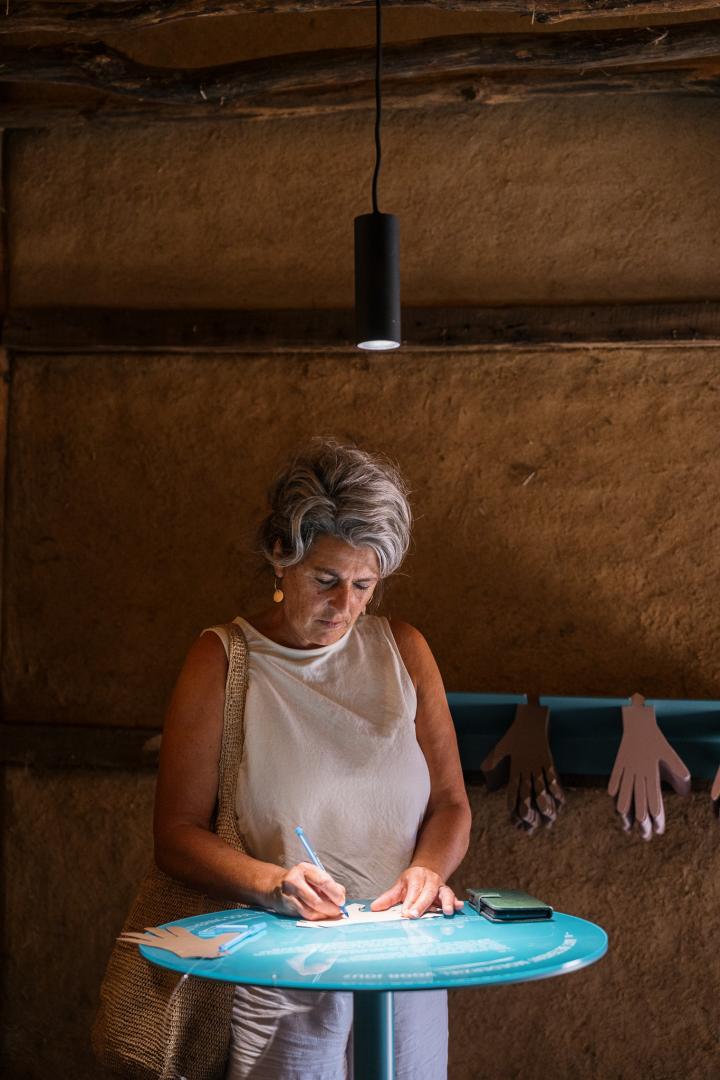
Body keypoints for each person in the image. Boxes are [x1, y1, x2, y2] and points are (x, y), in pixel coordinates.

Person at [154, 439, 472, 1080]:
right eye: (325, 580)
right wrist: (273, 883)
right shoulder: (222, 660)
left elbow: (450, 805)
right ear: (280, 557)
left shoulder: (403, 651)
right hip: (280, 974)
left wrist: (428, 872)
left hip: (404, 960)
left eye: (364, 584)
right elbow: (175, 837)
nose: (345, 607)